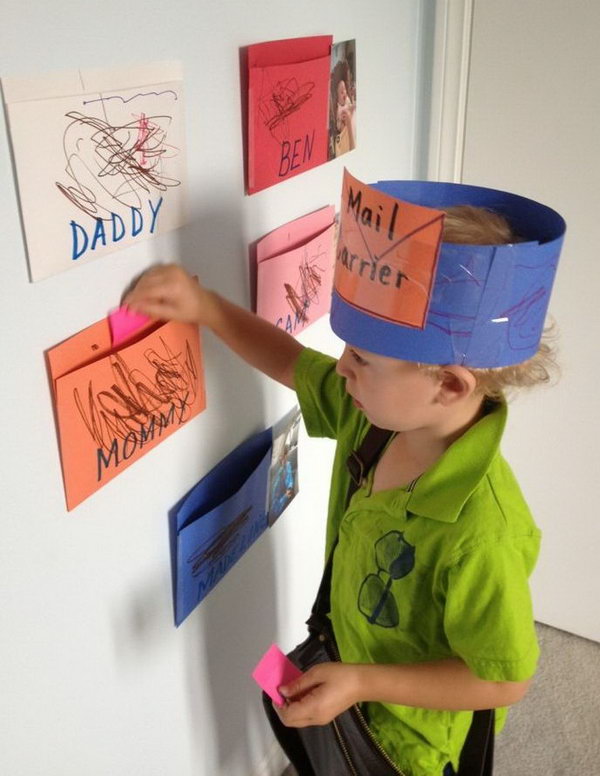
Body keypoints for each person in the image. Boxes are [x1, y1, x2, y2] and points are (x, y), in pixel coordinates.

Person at [123, 178, 565, 776]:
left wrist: (361, 681)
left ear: (451, 385)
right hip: (349, 686)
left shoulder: (483, 533)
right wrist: (208, 309)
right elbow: (289, 361)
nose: (343, 370)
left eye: (362, 359)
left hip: (414, 748)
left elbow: (504, 680)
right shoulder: (378, 417)